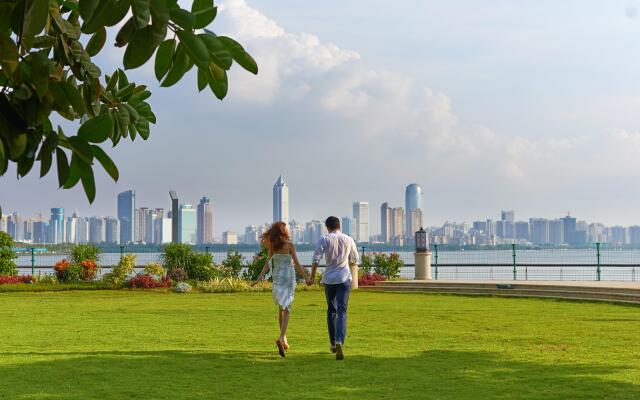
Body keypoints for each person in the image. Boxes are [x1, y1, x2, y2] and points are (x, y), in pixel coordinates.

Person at [255, 221, 311, 357]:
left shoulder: (272, 247)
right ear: (283, 232)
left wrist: (259, 278)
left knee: (282, 308)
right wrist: (307, 278)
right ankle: (281, 337)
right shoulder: (289, 246)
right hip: (288, 279)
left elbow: (268, 264)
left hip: (278, 280)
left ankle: (283, 339)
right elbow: (297, 264)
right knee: (287, 309)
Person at [309, 216, 360, 360]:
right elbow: (355, 259)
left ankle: (332, 343)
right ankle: (339, 340)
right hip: (344, 278)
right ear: (339, 226)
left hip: (329, 279)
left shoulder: (324, 239)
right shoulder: (348, 239)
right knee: (342, 311)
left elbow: (315, 259)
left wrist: (312, 277)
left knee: (331, 310)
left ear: (327, 227)